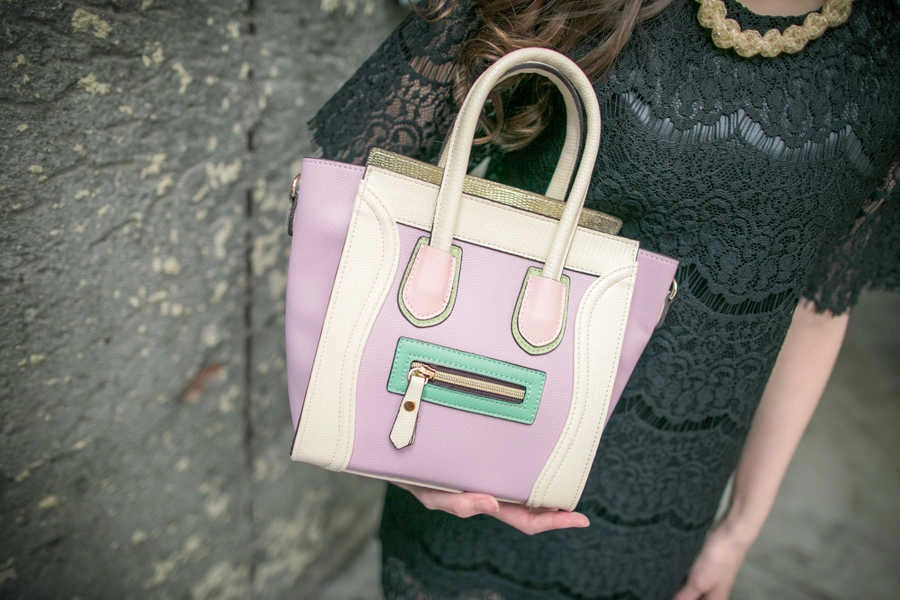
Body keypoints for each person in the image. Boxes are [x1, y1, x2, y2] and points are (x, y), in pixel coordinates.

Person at [308, 0, 899, 597]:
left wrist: (740, 527)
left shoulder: (885, 47)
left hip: (665, 499)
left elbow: (819, 307)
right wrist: (376, 432)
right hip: (477, 421)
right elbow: (352, 207)